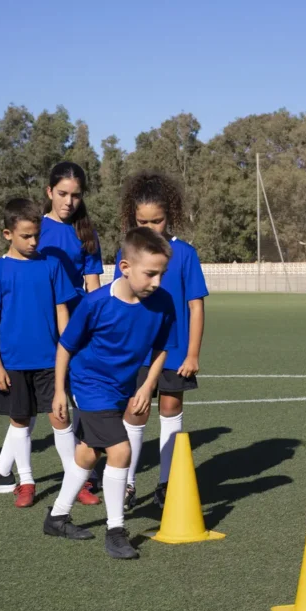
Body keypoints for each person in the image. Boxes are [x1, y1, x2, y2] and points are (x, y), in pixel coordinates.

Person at [43, 227, 177, 560]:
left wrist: (147, 385)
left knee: (89, 454)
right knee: (120, 450)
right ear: (125, 267)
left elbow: (162, 347)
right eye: (150, 273)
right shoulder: (96, 303)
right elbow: (65, 347)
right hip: (89, 385)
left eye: (161, 274)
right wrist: (59, 391)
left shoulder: (163, 302)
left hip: (122, 388)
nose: (157, 282)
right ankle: (116, 531)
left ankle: (57, 517)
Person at [0, 199, 79, 508]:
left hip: (50, 361)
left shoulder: (51, 265)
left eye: (36, 235)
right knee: (20, 422)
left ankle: (75, 479)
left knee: (60, 417)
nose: (33, 241)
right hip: (13, 362)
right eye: (26, 236)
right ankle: (26, 482)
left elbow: (62, 311)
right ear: (7, 234)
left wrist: (67, 352)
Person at [113, 171, 207, 510]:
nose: (151, 228)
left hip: (175, 351)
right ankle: (127, 483)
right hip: (136, 353)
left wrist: (192, 353)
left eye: (157, 221)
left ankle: (167, 483)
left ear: (171, 215)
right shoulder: (127, 254)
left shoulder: (186, 254)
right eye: (143, 222)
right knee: (135, 412)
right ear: (132, 218)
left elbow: (196, 307)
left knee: (170, 408)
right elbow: (120, 302)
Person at [39, 161, 104, 506]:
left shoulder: (86, 233)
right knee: (48, 400)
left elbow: (93, 285)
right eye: (62, 193)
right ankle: (20, 473)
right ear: (49, 191)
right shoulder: (35, 229)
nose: (69, 201)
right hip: (42, 323)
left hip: (78, 324)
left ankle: (83, 473)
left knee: (81, 396)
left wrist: (99, 325)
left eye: (75, 195)